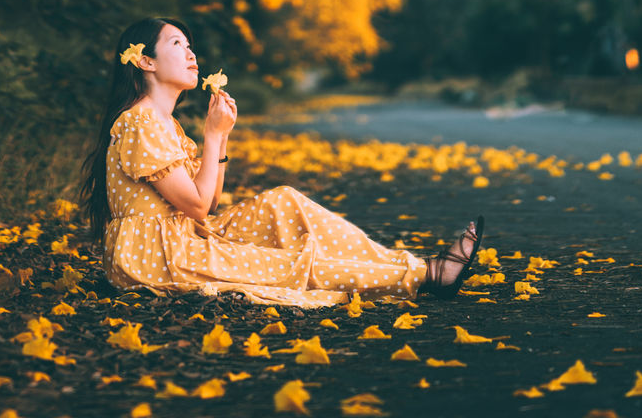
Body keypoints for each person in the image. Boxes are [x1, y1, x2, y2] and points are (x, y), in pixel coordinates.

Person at [80, 16, 485, 308]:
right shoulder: (140, 122)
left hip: (185, 235)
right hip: (159, 257)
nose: (191, 54)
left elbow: (209, 206)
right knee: (287, 264)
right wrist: (214, 134)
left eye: (190, 46)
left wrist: (218, 136)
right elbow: (200, 206)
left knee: (284, 201)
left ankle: (415, 267)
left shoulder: (163, 123)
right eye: (176, 45)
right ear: (145, 62)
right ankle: (429, 275)